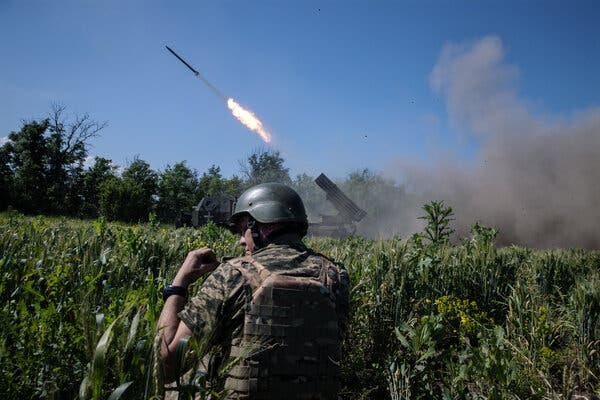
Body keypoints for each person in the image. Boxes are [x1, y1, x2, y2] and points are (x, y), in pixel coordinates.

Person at [158, 182, 350, 399]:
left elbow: (167, 364)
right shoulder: (335, 276)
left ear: (260, 226)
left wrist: (178, 285)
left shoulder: (231, 275)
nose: (241, 241)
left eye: (243, 230)